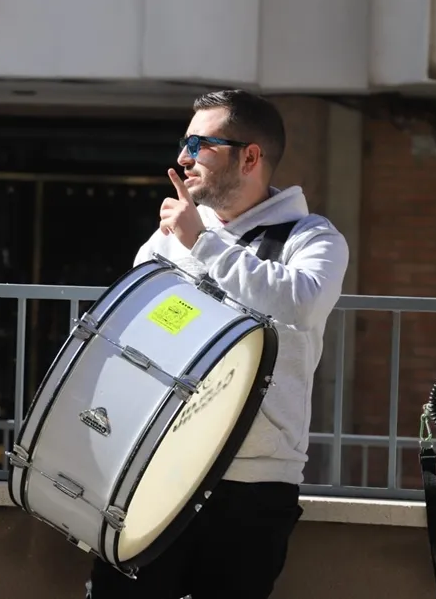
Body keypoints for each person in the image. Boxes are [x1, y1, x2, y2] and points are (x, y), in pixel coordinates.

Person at [86, 89, 349, 599]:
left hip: (252, 484)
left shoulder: (312, 236)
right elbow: (137, 335)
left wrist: (202, 243)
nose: (183, 158)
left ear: (250, 156)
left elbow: (300, 303)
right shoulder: (168, 237)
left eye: (200, 144)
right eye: (184, 143)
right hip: (155, 468)